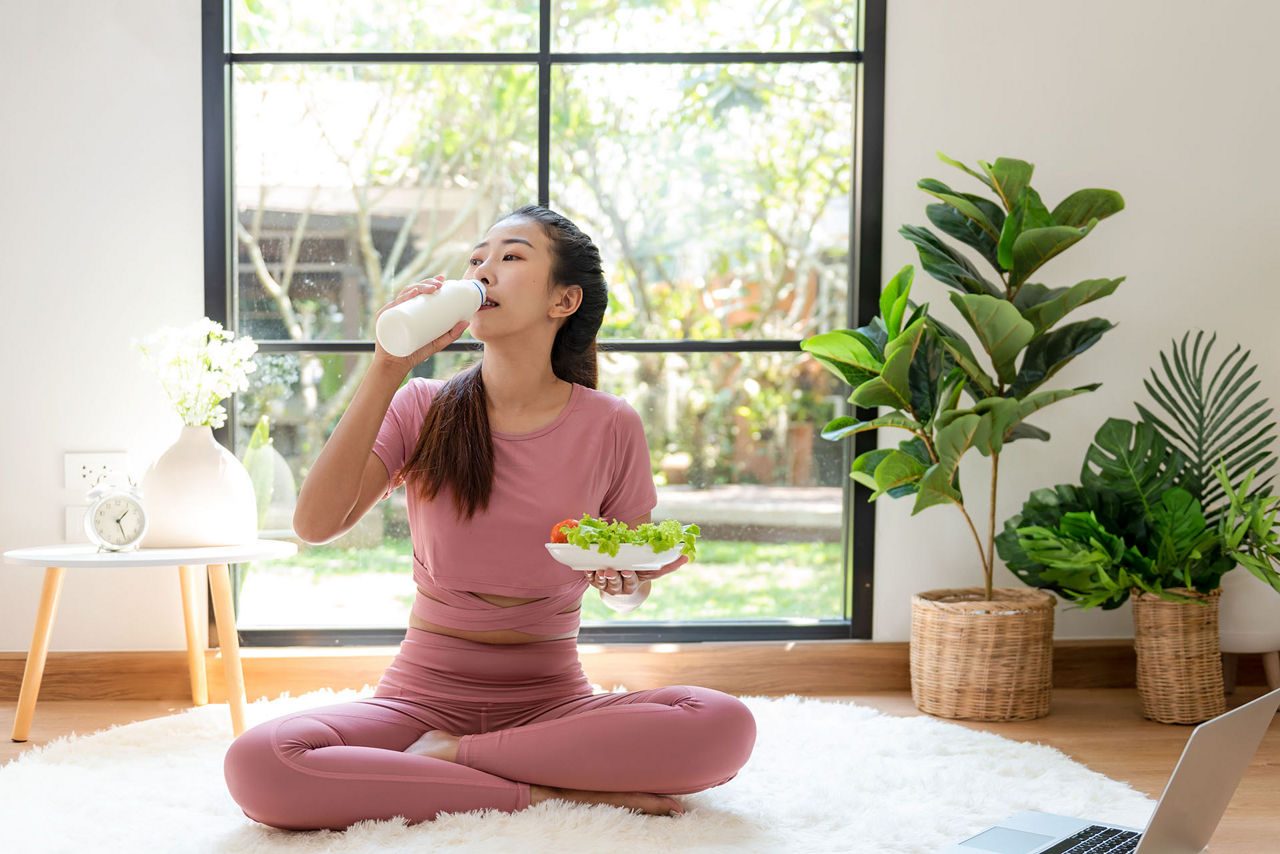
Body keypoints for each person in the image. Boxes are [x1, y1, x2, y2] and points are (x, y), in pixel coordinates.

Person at [222, 204, 757, 831]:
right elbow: (315, 524)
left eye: (510, 257)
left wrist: (629, 582)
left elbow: (626, 583)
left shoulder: (610, 422)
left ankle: (454, 762)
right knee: (260, 764)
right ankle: (540, 791)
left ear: (564, 300)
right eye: (477, 258)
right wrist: (386, 368)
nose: (483, 270)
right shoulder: (422, 405)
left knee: (724, 725)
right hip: (419, 699)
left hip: (552, 701)